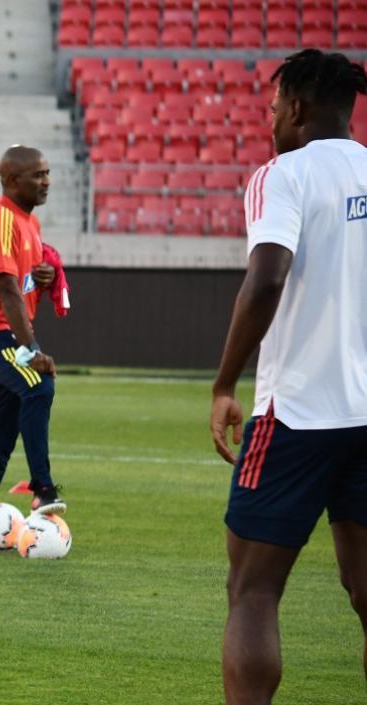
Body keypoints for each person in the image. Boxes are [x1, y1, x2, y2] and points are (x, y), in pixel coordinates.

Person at [210, 49, 367, 705]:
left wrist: (224, 383)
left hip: (297, 414)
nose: (270, 119)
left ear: (297, 108)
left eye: (274, 108)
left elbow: (266, 277)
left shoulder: (283, 175)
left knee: (253, 589)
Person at [0, 145, 66, 551]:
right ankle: (42, 488)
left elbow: (19, 284)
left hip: (6, 332)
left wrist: (44, 276)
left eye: (48, 173)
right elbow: (3, 287)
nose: (46, 181)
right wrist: (31, 348)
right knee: (38, 384)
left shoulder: (28, 225)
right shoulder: (2, 219)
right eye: (38, 175)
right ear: (11, 181)